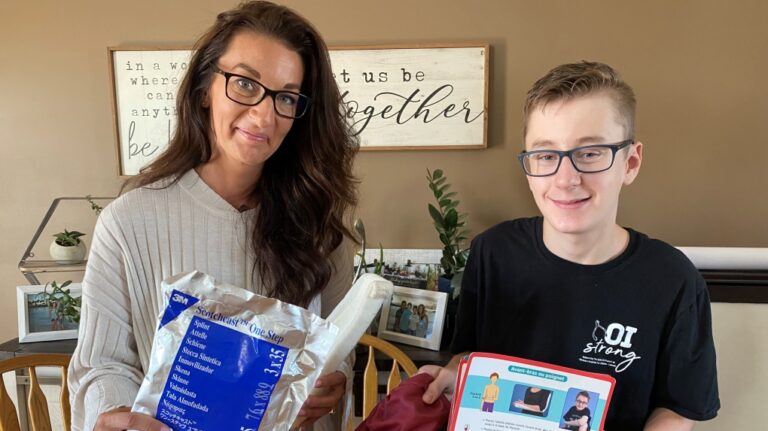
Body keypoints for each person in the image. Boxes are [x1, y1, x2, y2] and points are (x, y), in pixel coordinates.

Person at [67, 2, 358, 430]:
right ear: (205, 87)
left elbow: (337, 353)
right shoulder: (128, 222)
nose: (263, 115)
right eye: (244, 83)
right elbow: (101, 364)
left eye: (286, 97)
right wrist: (113, 414)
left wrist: (335, 382)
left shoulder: (320, 228)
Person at [421, 61, 719, 430]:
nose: (565, 179)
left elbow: (679, 406)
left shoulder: (673, 279)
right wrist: (456, 371)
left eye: (590, 153)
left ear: (631, 162)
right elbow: (470, 351)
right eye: (546, 155)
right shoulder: (492, 252)